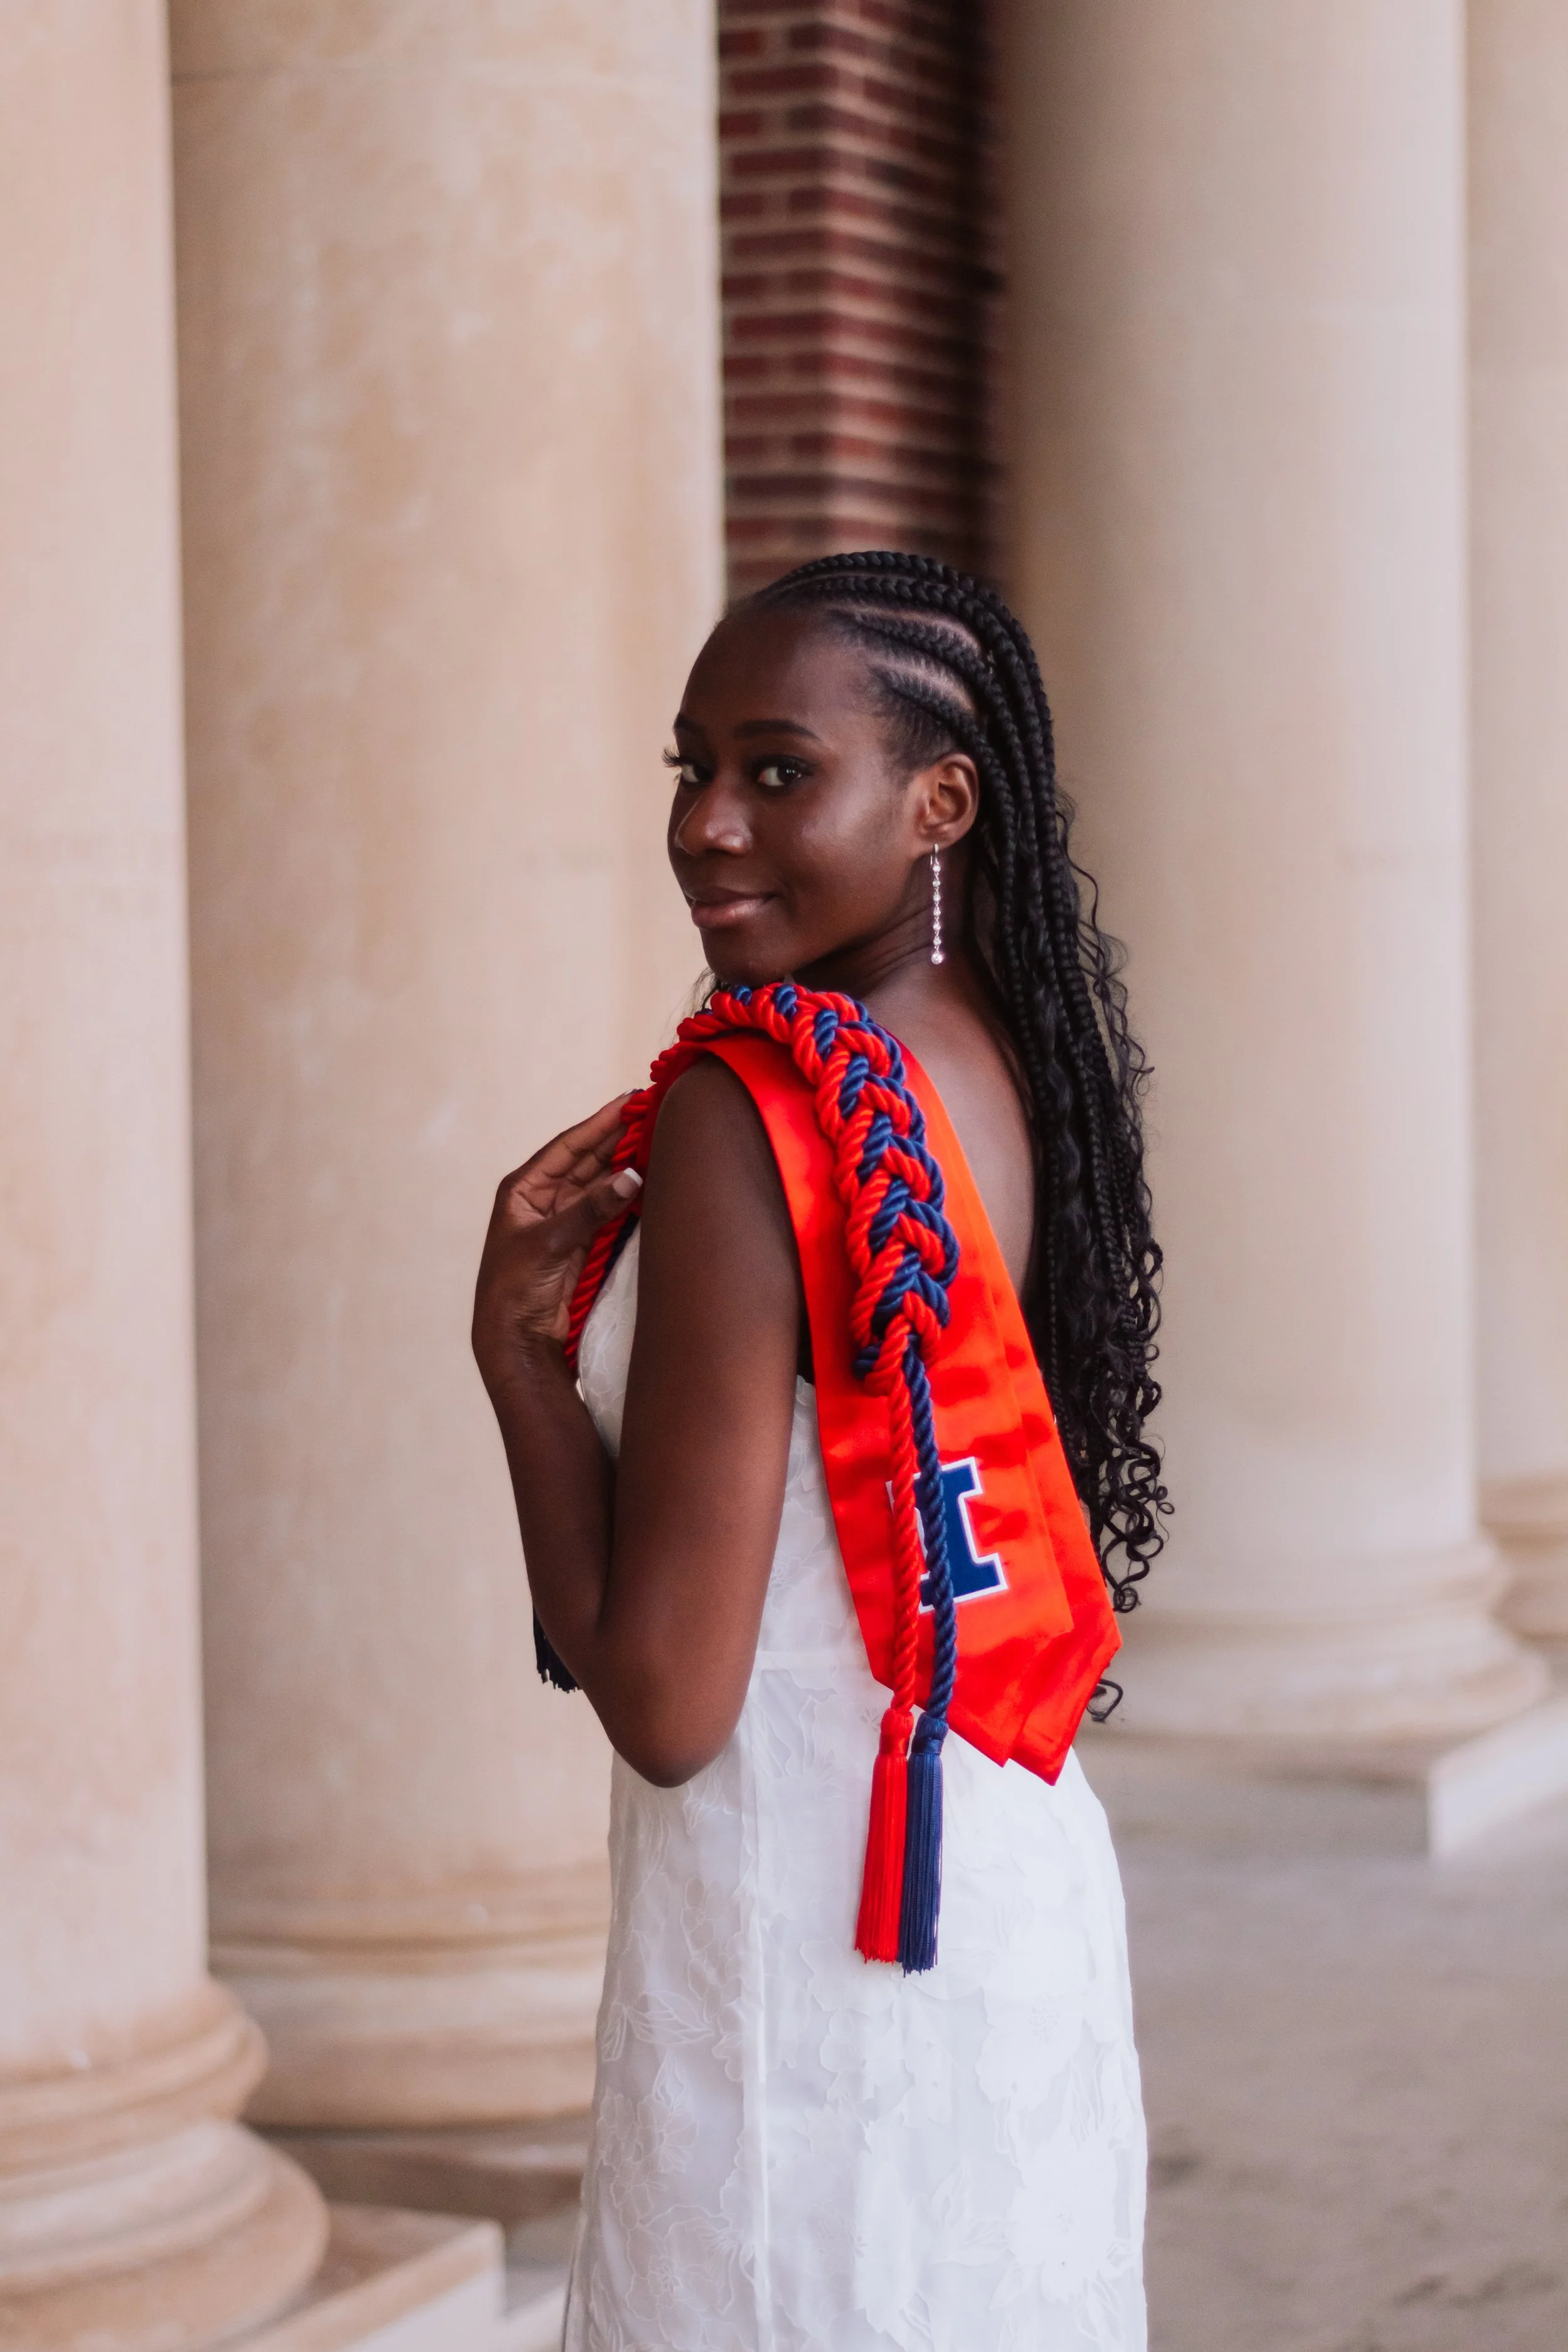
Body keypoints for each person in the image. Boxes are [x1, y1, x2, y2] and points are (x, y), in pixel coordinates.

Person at [472, 550, 1165, 2352]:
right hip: (987, 1889)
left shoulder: (748, 1109)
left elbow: (665, 1700)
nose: (707, 823)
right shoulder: (984, 1059)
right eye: (689, 765)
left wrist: (518, 1365)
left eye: (779, 769)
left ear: (940, 799)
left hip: (802, 1924)